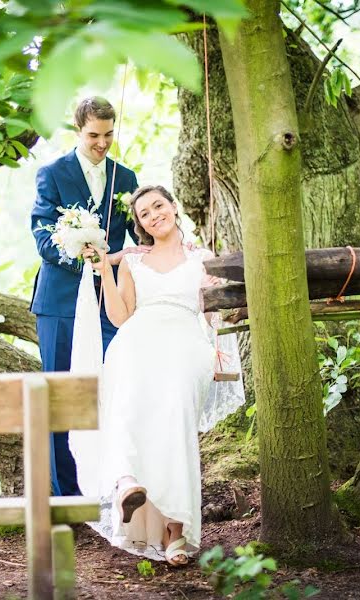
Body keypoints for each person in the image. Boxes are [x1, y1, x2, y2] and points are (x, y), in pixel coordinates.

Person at [80, 185, 220, 566]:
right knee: (126, 389)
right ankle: (126, 481)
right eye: (144, 213)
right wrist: (105, 272)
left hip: (186, 337)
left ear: (173, 208)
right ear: (140, 224)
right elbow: (122, 317)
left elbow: (212, 318)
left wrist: (216, 295)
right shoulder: (134, 261)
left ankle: (178, 529)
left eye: (159, 205)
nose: (153, 214)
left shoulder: (202, 258)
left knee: (174, 406)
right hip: (139, 336)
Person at [29, 97, 146, 497]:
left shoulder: (125, 178)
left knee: (115, 392)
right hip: (60, 302)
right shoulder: (52, 174)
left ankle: (112, 488)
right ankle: (65, 498)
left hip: (110, 300)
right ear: (78, 130)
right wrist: (77, 251)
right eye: (94, 135)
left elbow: (140, 236)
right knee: (60, 395)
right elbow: (42, 235)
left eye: (109, 134)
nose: (102, 143)